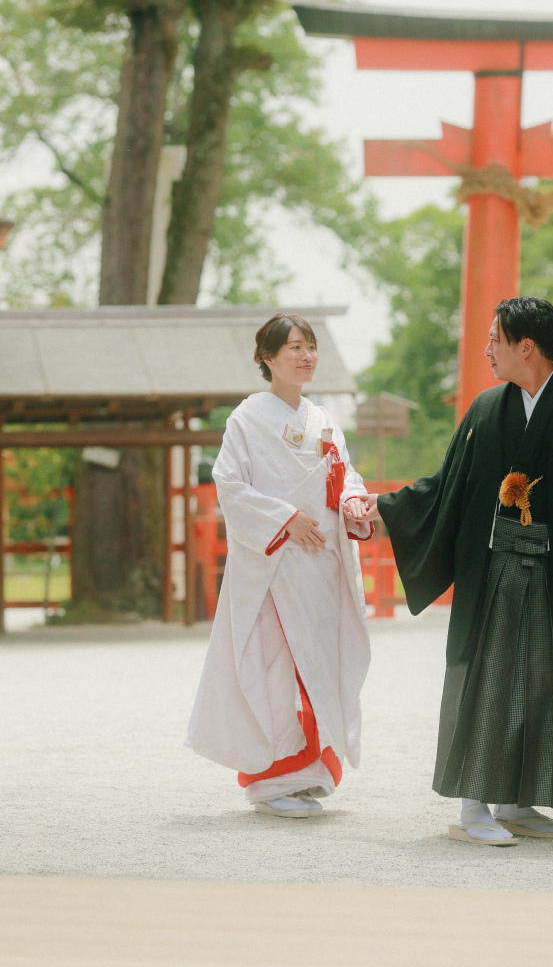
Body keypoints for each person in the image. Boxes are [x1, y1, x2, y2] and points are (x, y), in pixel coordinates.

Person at [365, 297, 553, 846]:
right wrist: (386, 509)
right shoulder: (486, 410)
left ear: (526, 347)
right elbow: (448, 487)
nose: (488, 349)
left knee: (545, 682)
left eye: (495, 339)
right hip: (491, 571)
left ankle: (518, 801)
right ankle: (473, 806)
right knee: (487, 682)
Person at [186, 314, 373, 818]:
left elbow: (346, 474)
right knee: (274, 665)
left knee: (319, 662)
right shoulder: (247, 419)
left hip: (318, 567)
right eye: (294, 347)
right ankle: (271, 780)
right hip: (274, 564)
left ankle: (309, 771)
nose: (307, 355)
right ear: (267, 358)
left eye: (311, 346)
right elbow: (230, 484)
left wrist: (354, 501)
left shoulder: (325, 419)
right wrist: (285, 517)